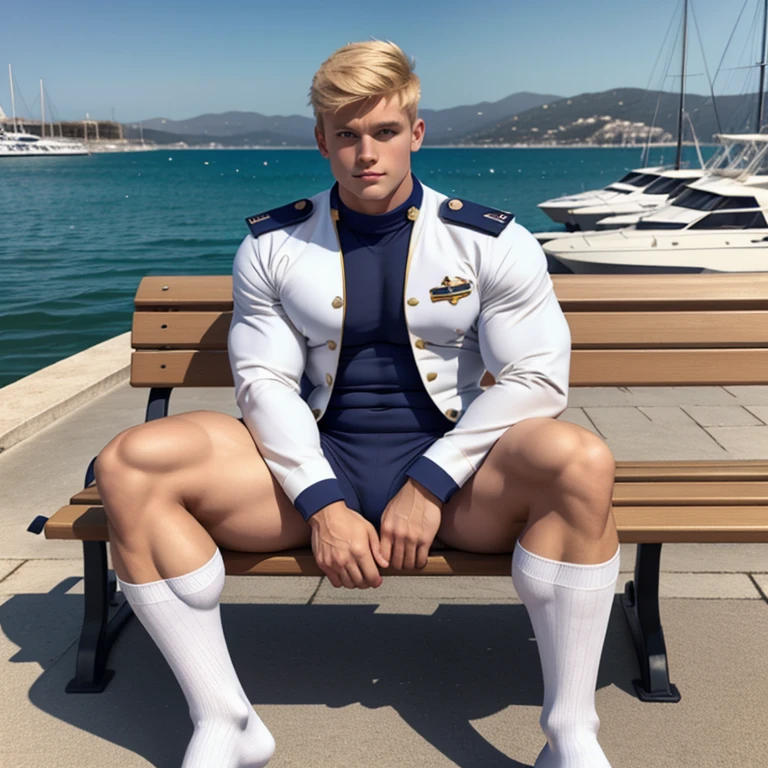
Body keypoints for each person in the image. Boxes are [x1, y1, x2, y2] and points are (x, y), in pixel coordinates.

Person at [95, 40, 621, 768]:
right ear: (321, 140)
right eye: (345, 134)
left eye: (382, 132)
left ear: (416, 132)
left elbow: (536, 378)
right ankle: (225, 721)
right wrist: (322, 502)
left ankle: (571, 733)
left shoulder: (491, 241)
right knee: (129, 462)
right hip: (316, 459)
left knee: (580, 460)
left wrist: (431, 483)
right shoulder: (272, 245)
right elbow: (265, 385)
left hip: (458, 477)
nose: (364, 153)